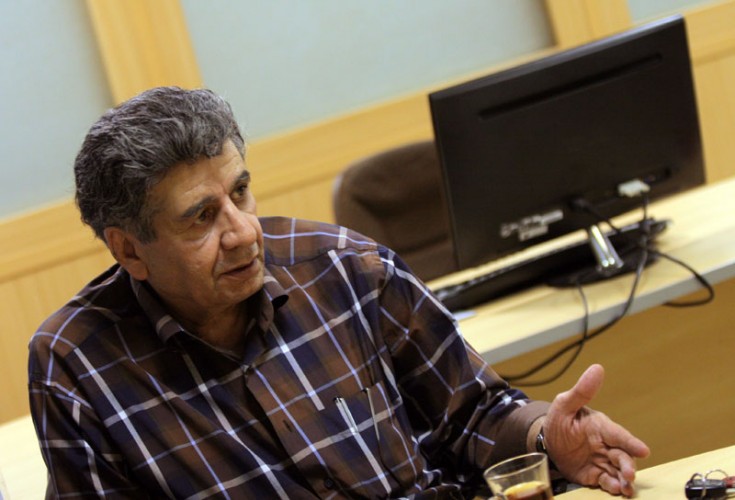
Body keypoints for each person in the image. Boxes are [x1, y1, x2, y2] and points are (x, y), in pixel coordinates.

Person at [28, 86, 649, 499]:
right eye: (201, 218)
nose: (242, 233)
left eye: (240, 192)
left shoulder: (345, 266)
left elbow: (474, 416)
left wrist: (544, 436)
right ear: (129, 250)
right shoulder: (76, 364)